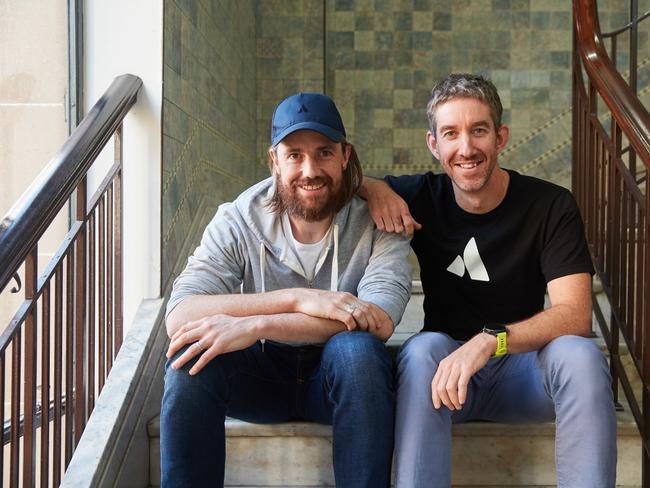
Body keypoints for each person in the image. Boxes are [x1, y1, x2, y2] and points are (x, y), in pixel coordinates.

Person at [360, 73, 617, 487]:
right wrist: (374, 188)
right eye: (451, 133)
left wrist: (488, 340)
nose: (466, 148)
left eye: (478, 130)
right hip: (446, 383)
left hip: (523, 375)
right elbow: (339, 179)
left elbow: (574, 315)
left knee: (581, 356)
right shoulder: (421, 195)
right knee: (422, 348)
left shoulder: (550, 205)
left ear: (500, 137)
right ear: (434, 145)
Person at [159, 92, 412, 488]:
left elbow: (378, 321)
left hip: (335, 381)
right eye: (294, 154)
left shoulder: (380, 221)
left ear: (345, 156)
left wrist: (258, 323)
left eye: (324, 153)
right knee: (192, 353)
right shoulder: (239, 218)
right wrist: (295, 297)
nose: (310, 169)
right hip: (261, 378)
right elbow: (179, 315)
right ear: (273, 160)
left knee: (359, 352)